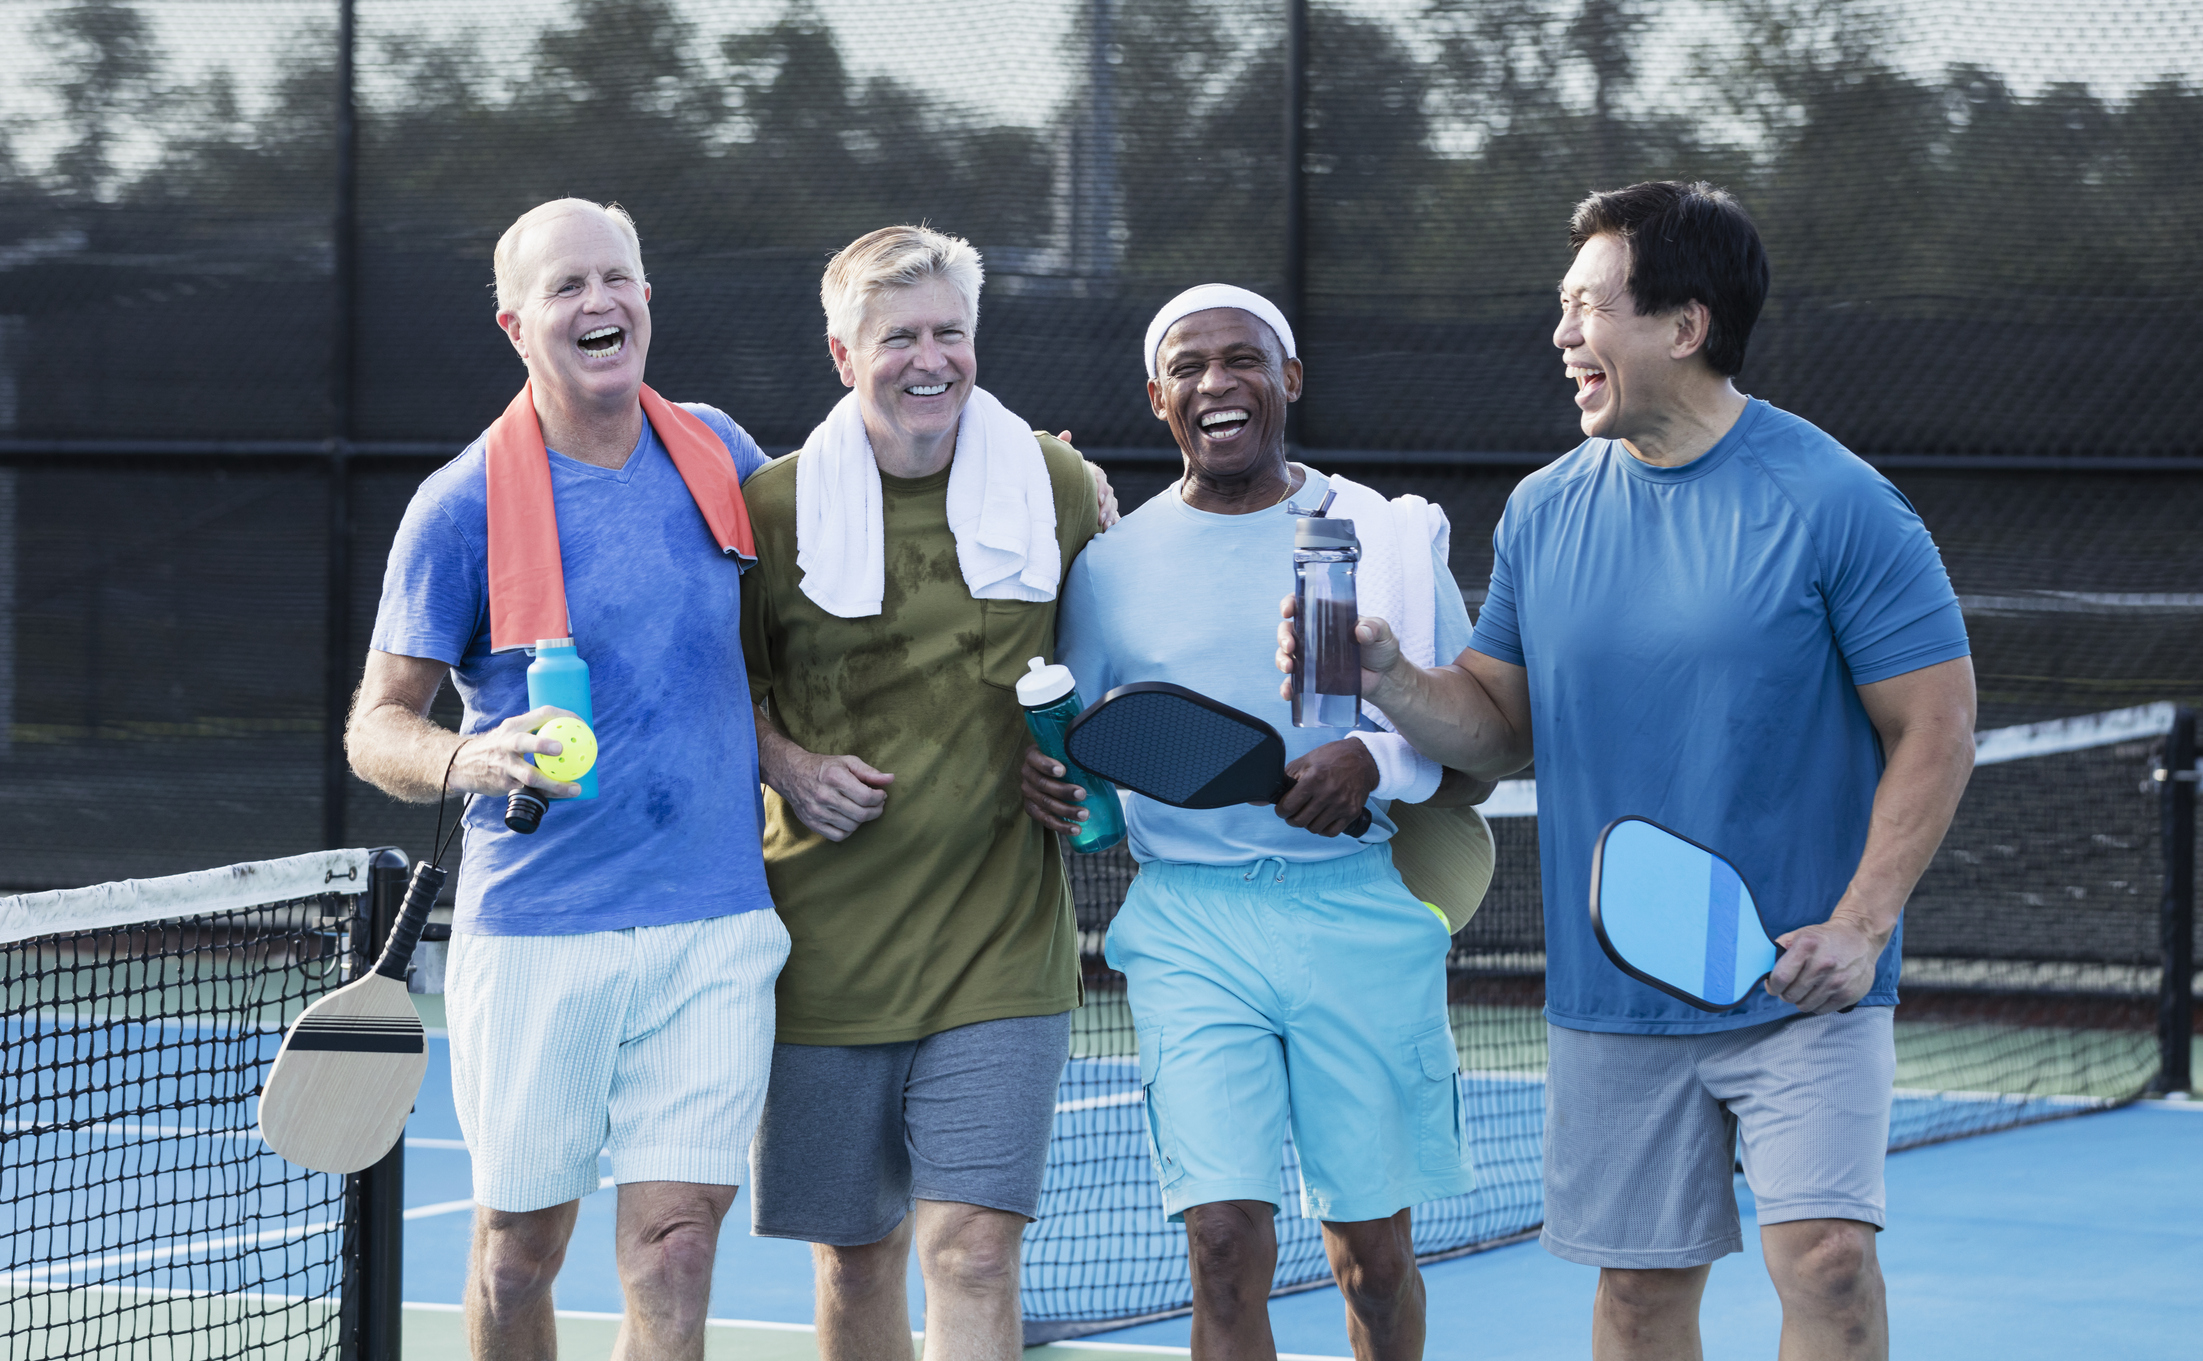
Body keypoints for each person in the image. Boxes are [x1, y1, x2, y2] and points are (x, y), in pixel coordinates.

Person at [1286, 182, 1977, 1361]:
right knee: (1641, 1299)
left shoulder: (1839, 503)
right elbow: (1501, 726)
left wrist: (1861, 927)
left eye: (1585, 307)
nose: (1561, 336)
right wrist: (1392, 673)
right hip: (1614, 993)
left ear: (1684, 326)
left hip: (1801, 980)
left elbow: (1938, 724)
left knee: (1828, 1263)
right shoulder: (1546, 512)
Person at [348, 198, 788, 1360]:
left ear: (647, 299)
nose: (598, 302)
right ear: (516, 324)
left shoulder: (721, 452)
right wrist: (464, 755)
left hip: (715, 922)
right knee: (514, 1254)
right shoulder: (457, 504)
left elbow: (860, 521)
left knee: (678, 1242)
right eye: (566, 286)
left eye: (617, 278)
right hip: (540, 927)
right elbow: (376, 726)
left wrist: (1042, 475)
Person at [1023, 283, 1486, 1361]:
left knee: (1369, 1257)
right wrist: (1048, 782)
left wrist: (1370, 756)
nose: (1215, 382)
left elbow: (1476, 732)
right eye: (1188, 366)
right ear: (1157, 396)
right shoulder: (1109, 567)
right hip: (1189, 926)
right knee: (1223, 1246)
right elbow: (1084, 742)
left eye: (1242, 359)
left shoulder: (1385, 534)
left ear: (1289, 380)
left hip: (1358, 915)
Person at [739, 224, 1106, 1361]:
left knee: (974, 1251)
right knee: (855, 1261)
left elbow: (1115, 661)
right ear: (845, 353)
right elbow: (719, 693)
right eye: (900, 335)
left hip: (1000, 948)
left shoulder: (1053, 484)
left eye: (951, 331)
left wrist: (1079, 761)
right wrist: (790, 764)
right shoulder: (770, 510)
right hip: (822, 957)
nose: (930, 357)